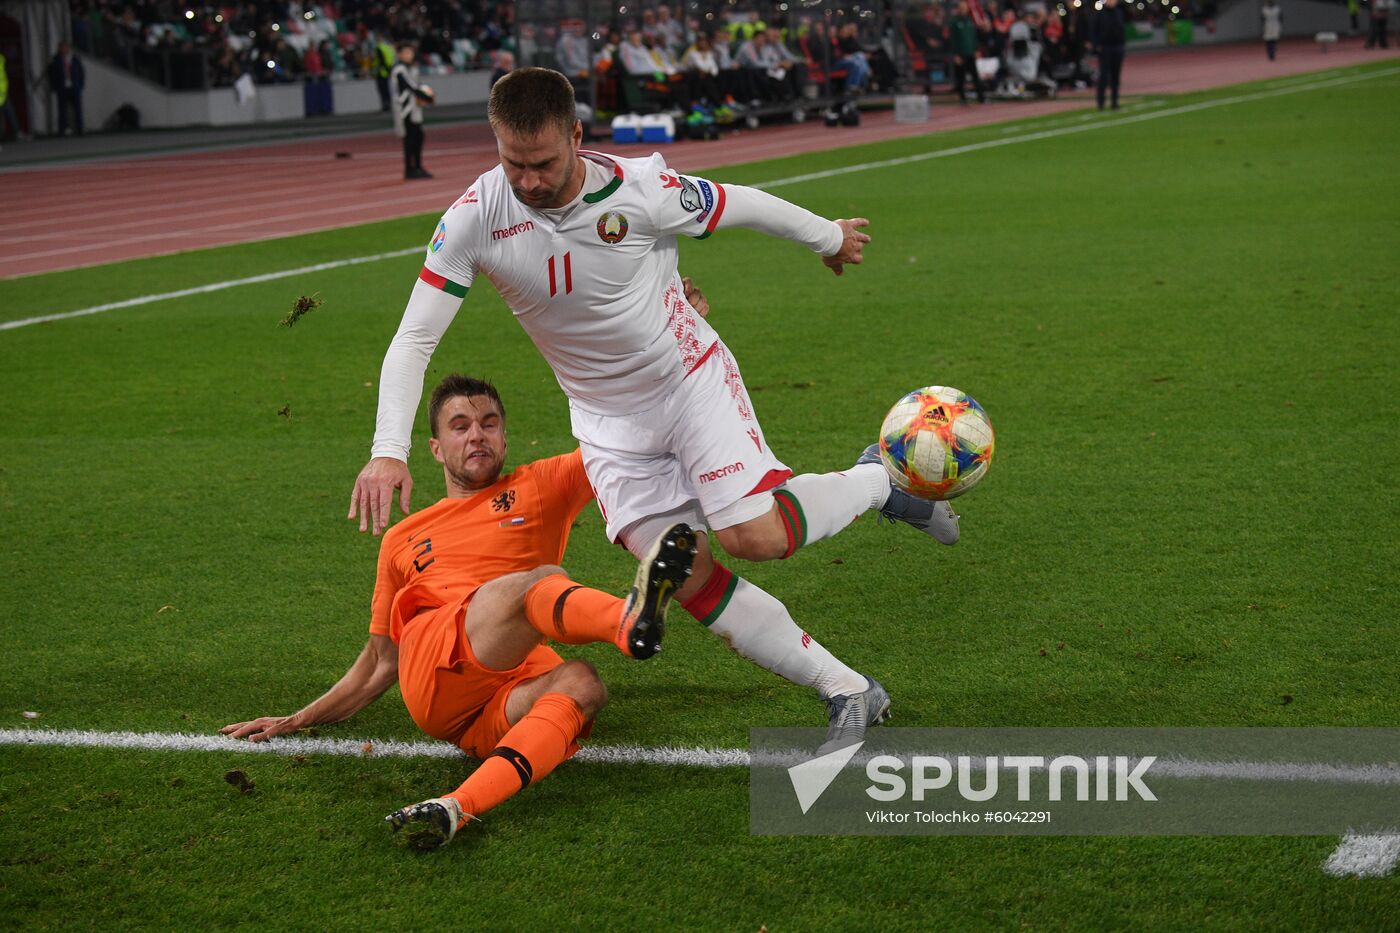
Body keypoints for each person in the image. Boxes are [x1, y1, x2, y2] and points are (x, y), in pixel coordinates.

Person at [349, 68, 963, 752]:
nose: (527, 181)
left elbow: (740, 202)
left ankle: (881, 476)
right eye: (511, 162)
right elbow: (414, 338)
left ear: (577, 137)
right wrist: (388, 448)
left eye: (544, 163)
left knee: (754, 536)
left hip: (687, 381)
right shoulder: (473, 217)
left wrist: (826, 237)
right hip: (608, 428)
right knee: (690, 579)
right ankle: (848, 687)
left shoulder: (640, 188)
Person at [224, 374, 699, 850]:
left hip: (486, 707)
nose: (477, 435)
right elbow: (379, 661)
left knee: (582, 683)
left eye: (489, 424)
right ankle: (627, 621)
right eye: (460, 426)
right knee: (539, 579)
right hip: (435, 663)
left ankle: (457, 805)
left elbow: (624, 439)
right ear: (435, 448)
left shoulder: (540, 485)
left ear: (505, 436)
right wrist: (298, 718)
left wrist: (669, 348)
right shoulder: (402, 538)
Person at [390, 42, 435, 180]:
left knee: (418, 137)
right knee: (410, 139)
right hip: (405, 110)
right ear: (400, 54)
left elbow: (416, 85)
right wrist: (428, 97)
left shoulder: (410, 69)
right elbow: (411, 86)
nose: (409, 55)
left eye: (411, 52)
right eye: (406, 52)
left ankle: (417, 167)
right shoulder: (399, 70)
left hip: (414, 109)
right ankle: (410, 169)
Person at [1091, 0, 1126, 110]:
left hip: (1117, 47)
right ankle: (1101, 102)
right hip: (1105, 47)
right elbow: (1093, 30)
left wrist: (1122, 44)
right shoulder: (1099, 14)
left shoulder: (1119, 12)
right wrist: (1097, 45)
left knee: (1116, 76)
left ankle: (1114, 101)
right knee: (1104, 76)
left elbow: (1121, 29)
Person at [949, 1, 986, 104]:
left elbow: (973, 37)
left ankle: (981, 97)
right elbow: (952, 39)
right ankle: (962, 98)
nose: (963, 9)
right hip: (960, 54)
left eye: (965, 7)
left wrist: (976, 49)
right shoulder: (954, 22)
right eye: (961, 8)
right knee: (961, 78)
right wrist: (955, 55)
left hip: (971, 53)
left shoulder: (970, 21)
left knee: (975, 77)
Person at [48, 41, 85, 136]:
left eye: (66, 47)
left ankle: (80, 129)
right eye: (62, 48)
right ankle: (62, 130)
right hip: (62, 88)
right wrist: (54, 87)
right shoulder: (56, 59)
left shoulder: (75, 58)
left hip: (74, 87)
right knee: (62, 111)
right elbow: (52, 74)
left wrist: (80, 85)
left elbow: (81, 73)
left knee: (78, 109)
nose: (64, 49)